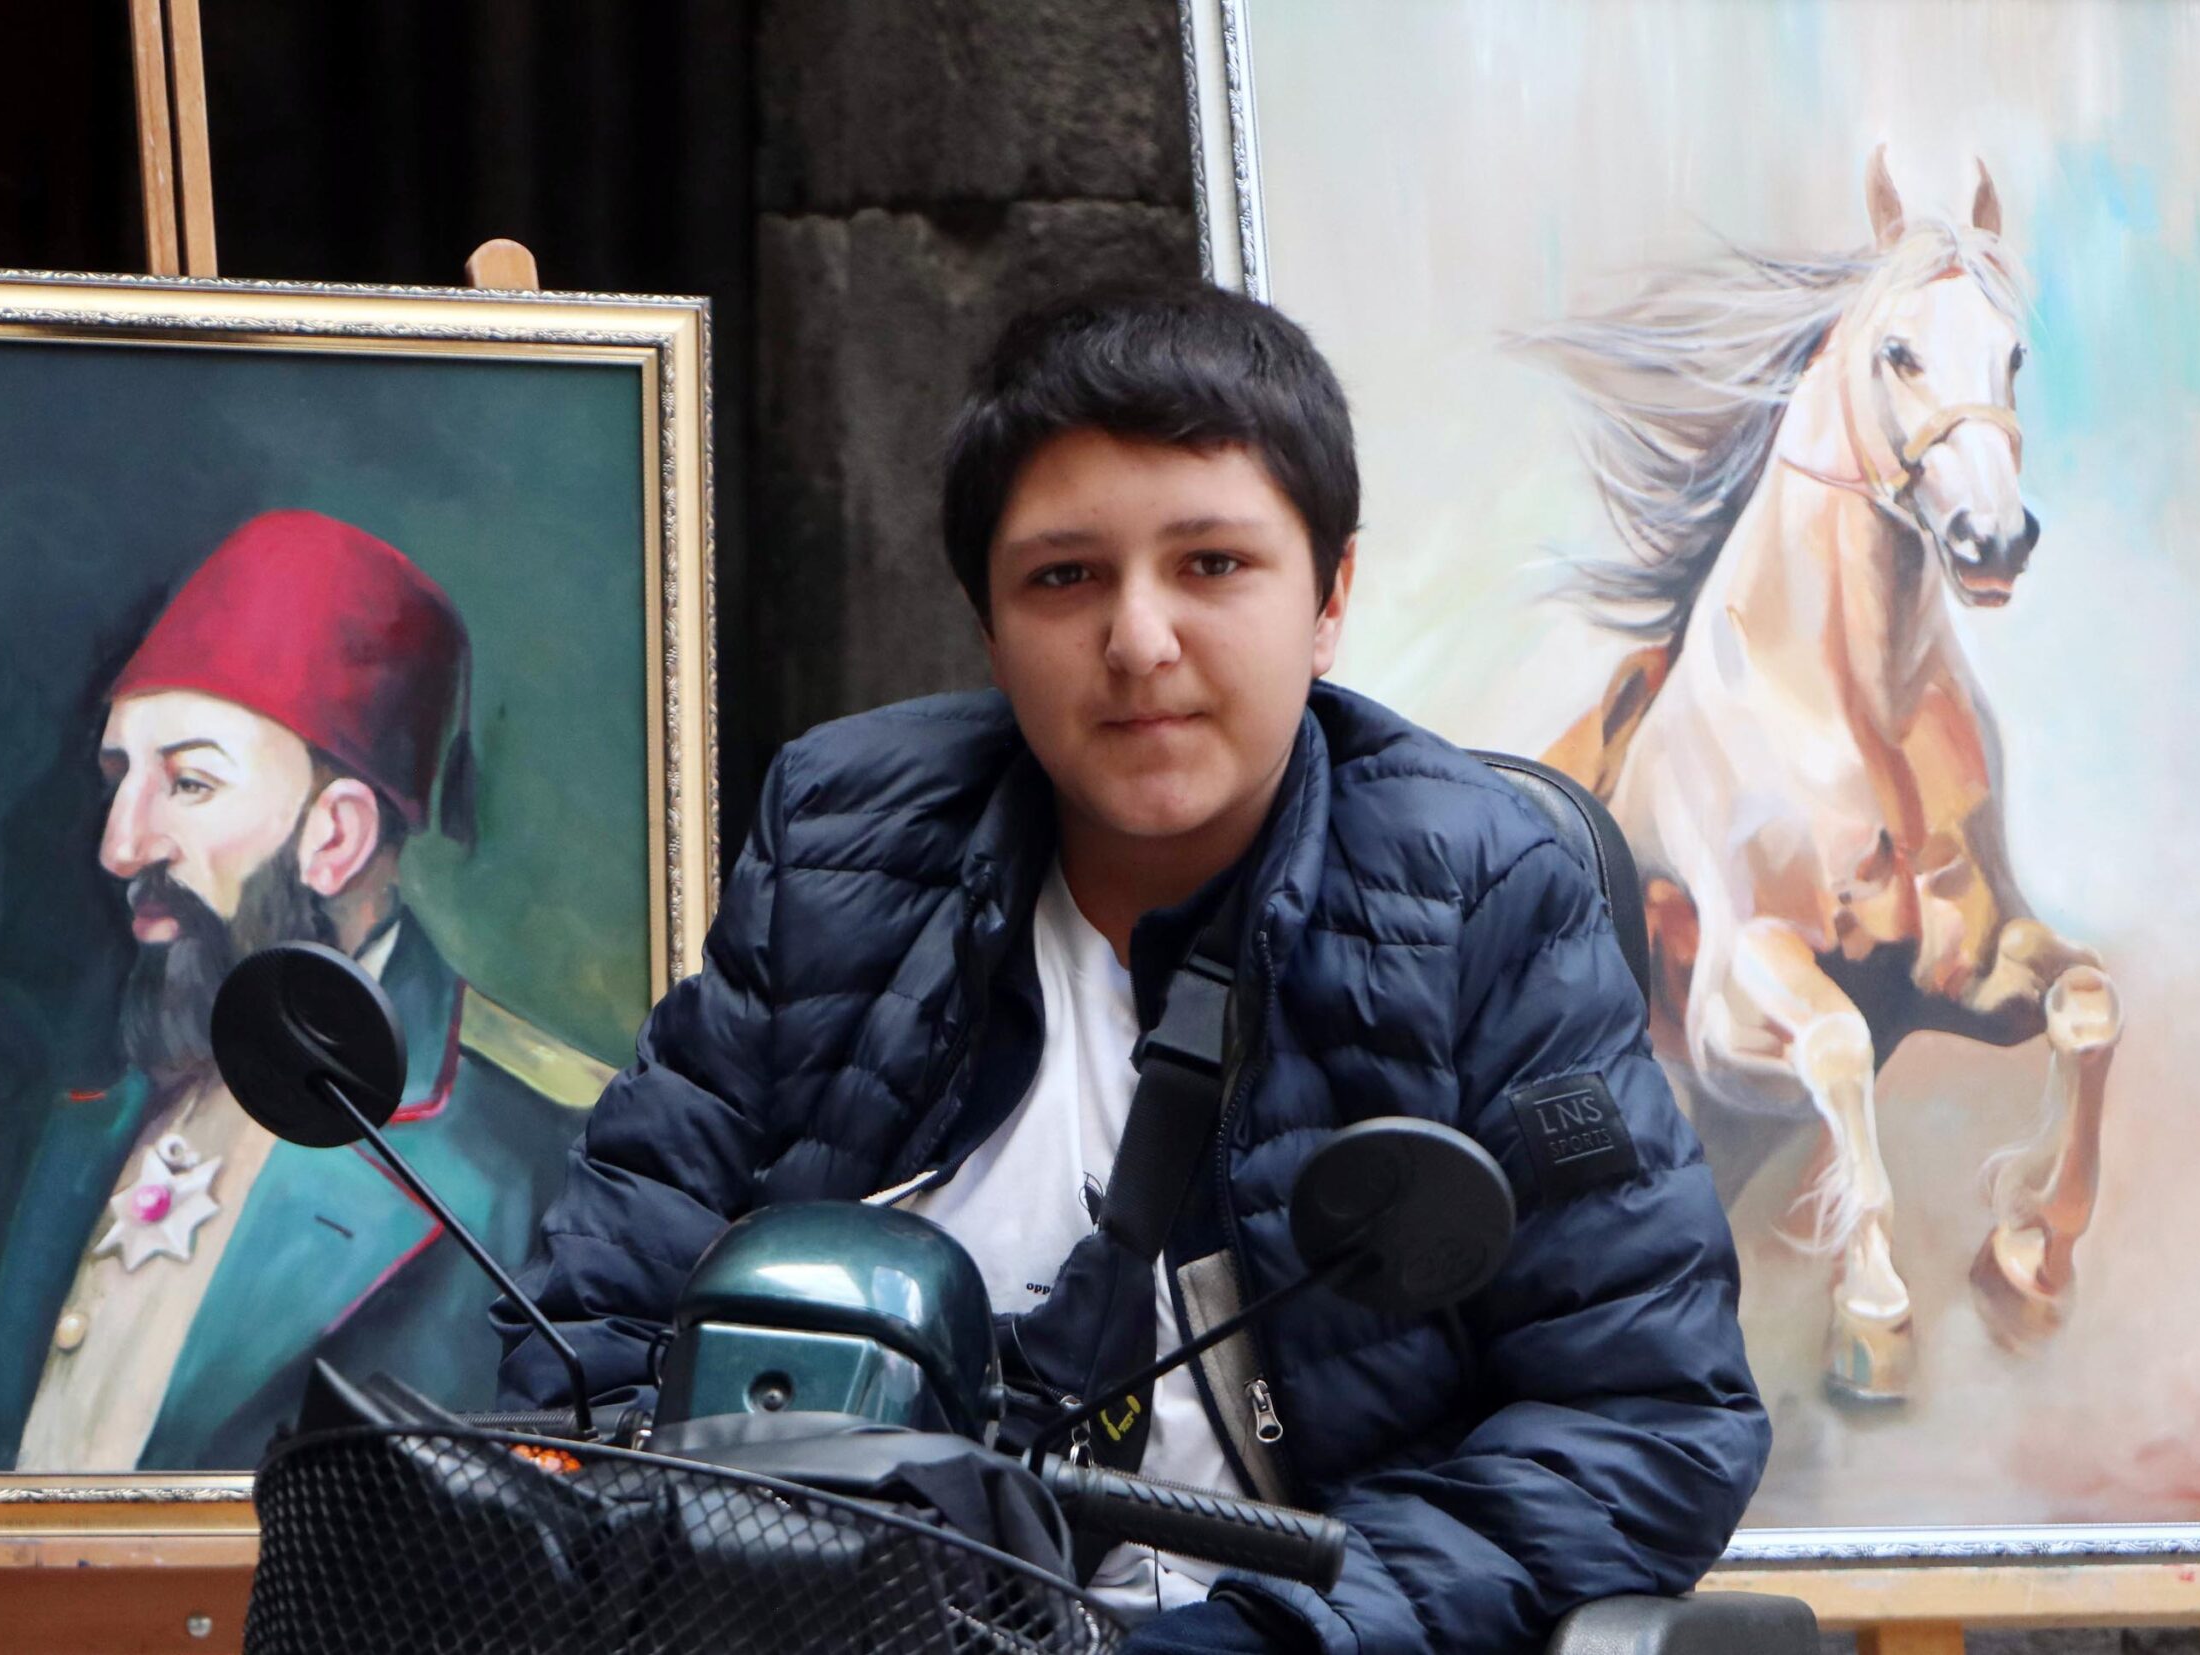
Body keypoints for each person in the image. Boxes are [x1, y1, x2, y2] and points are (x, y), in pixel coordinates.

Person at [499, 285, 1769, 1651]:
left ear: (1330, 597)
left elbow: (1646, 1420)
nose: (1139, 641)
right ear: (989, 626)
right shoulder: (840, 854)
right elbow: (590, 1335)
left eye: (1212, 564)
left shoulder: (1480, 894)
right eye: (1065, 577)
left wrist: (1259, 1637)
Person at [0, 509, 610, 1472]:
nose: (119, 846)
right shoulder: (92, 1111)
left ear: (335, 836)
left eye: (189, 783)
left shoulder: (532, 1156)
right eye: (118, 778)